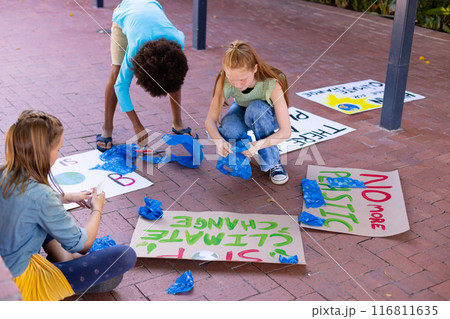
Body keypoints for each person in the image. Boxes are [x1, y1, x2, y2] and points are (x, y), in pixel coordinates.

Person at [0, 110, 137, 301]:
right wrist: (97, 208)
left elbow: (24, 200)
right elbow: (84, 245)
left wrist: (65, 197)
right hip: (19, 285)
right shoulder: (43, 196)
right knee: (125, 255)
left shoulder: (5, 173)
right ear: (43, 152)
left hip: (6, 267)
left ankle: (65, 260)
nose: (58, 154)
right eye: (58, 149)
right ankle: (66, 269)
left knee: (41, 221)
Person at [97, 0, 196, 152]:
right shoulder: (134, 50)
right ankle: (107, 127)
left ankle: (178, 122)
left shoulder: (177, 41)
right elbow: (121, 86)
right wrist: (137, 125)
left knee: (171, 75)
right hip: (125, 15)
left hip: (149, 8)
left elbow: (173, 74)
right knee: (117, 74)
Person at [205, 40, 292, 185]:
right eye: (232, 80)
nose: (238, 85)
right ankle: (241, 155)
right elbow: (210, 120)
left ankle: (273, 162)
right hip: (241, 107)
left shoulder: (272, 84)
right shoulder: (223, 78)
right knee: (228, 129)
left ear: (255, 69)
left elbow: (286, 131)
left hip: (265, 113)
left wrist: (258, 145)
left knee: (255, 110)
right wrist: (218, 141)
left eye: (243, 80)